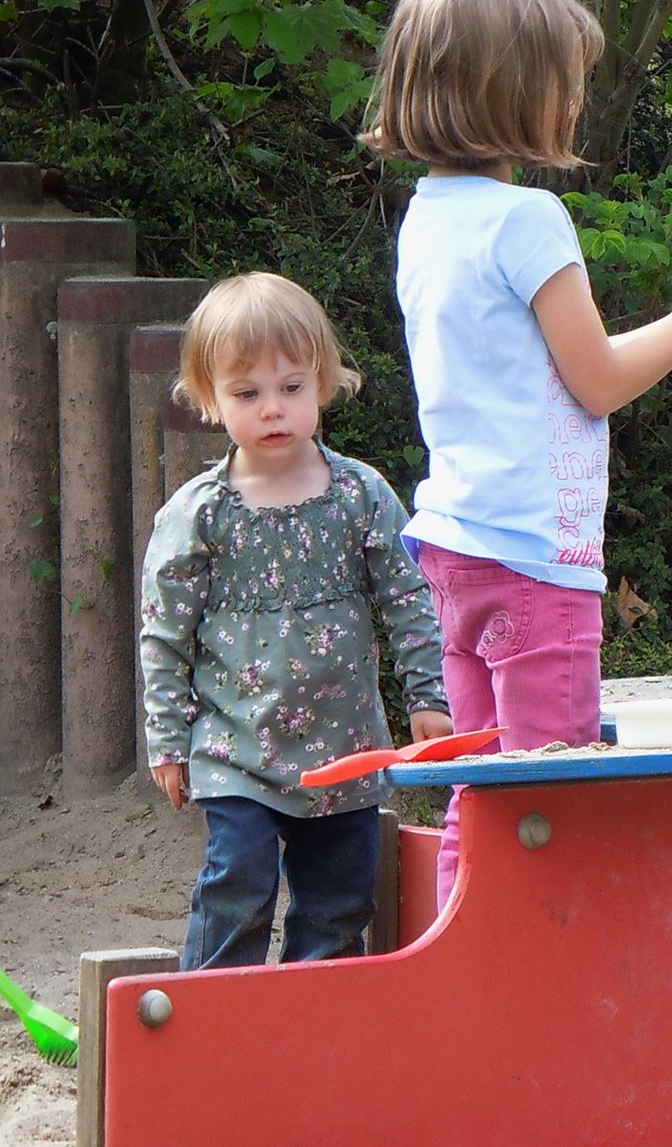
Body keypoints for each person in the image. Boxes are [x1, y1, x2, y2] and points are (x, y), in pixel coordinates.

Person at [359, 0, 672, 909]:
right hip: (534, 563)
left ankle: (463, 963)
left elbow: (560, 372)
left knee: (482, 794)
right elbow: (597, 382)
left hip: (457, 552)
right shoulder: (529, 219)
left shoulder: (428, 218)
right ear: (515, 92)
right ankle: (536, 969)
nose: (575, 100)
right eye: (567, 81)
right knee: (553, 805)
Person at [141, 273, 452, 970]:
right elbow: (164, 633)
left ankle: (317, 1020)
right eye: (247, 393)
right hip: (234, 750)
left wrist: (427, 696)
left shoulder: (361, 494)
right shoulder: (198, 513)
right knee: (239, 884)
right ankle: (215, 1012)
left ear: (324, 382)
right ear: (209, 399)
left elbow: (409, 599)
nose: (273, 408)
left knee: (339, 902)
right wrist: (167, 739)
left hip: (346, 749)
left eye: (291, 386)